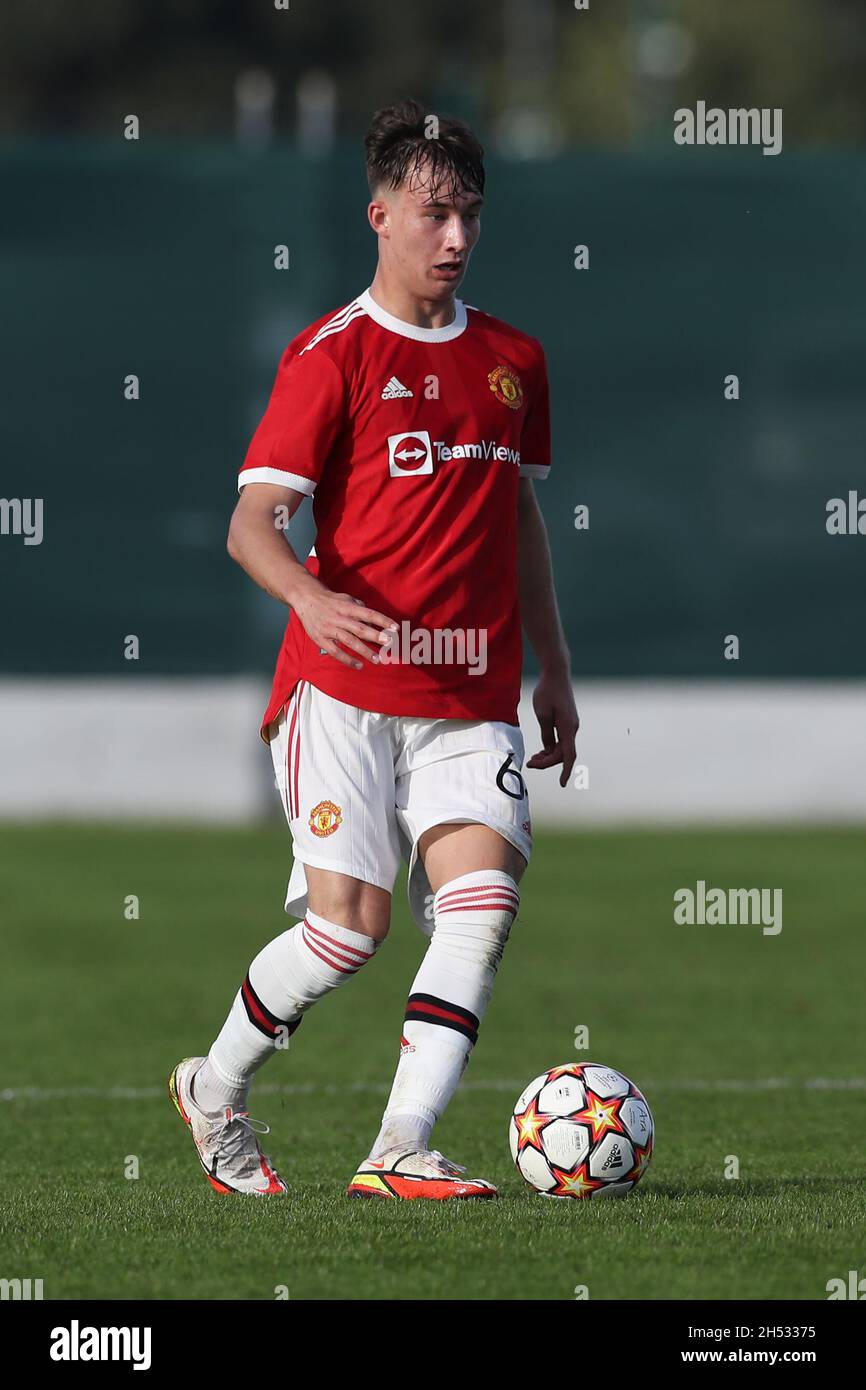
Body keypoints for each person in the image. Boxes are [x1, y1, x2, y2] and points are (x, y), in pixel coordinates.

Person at [169, 98, 578, 1199]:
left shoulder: (511, 359)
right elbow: (250, 523)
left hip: (473, 688)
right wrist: (308, 596)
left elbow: (520, 521)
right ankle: (213, 1090)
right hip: (342, 688)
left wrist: (555, 671)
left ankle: (397, 1145)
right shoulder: (329, 356)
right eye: (434, 213)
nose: (454, 237)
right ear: (381, 214)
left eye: (470, 215)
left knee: (480, 907)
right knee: (348, 933)